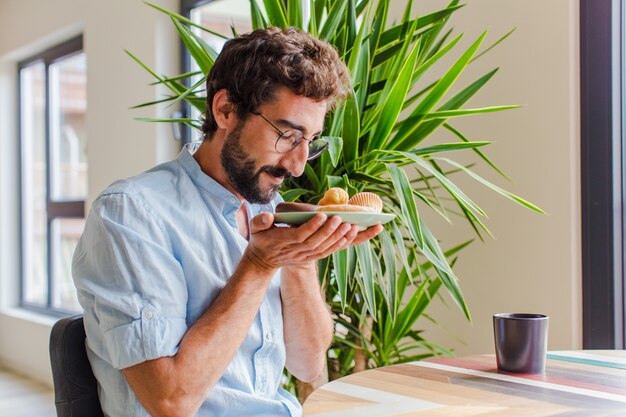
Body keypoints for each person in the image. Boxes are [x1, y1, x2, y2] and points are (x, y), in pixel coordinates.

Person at [72, 27, 383, 417]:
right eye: (287, 135)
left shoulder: (268, 208)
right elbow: (171, 401)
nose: (299, 165)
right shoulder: (131, 214)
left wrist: (300, 259)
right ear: (225, 111)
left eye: (311, 141)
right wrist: (259, 265)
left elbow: (308, 365)